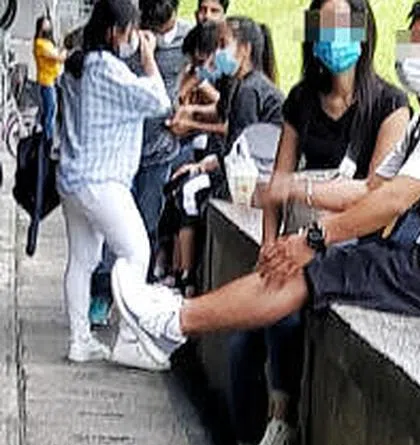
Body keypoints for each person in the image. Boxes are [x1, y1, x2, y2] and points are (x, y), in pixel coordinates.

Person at [111, 0, 420, 377]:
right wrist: (294, 213)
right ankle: (176, 317)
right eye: (410, 41)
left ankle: (173, 323)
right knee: (296, 271)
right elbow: (369, 189)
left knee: (308, 272)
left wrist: (315, 238)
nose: (412, 54)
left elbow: (391, 201)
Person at [213, 0, 411, 445]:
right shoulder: (302, 99)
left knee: (284, 313)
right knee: (240, 345)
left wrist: (303, 190)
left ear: (363, 32)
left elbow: (375, 193)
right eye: (322, 26)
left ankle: (283, 418)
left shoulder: (390, 106)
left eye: (341, 25)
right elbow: (275, 186)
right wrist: (268, 243)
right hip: (294, 239)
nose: (332, 37)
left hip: (346, 249)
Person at [57, 0, 172, 369]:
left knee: (82, 260)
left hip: (72, 179)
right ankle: (128, 340)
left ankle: (80, 341)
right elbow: (159, 102)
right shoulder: (105, 68)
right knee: (137, 252)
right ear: (114, 32)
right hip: (103, 181)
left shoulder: (76, 64)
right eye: (130, 31)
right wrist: (149, 58)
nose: (134, 38)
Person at [88, 0, 193, 326]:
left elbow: (204, 73)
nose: (155, 35)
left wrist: (186, 111)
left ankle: (134, 301)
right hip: (120, 155)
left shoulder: (186, 39)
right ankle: (102, 294)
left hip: (159, 152)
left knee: (146, 225)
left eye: (163, 29)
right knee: (111, 229)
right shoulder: (126, 38)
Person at [164, 16, 282, 293]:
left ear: (245, 49)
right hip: (247, 171)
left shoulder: (250, 91)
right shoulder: (243, 85)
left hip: (254, 178)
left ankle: (188, 279)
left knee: (192, 194)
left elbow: (241, 149)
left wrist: (204, 166)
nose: (218, 53)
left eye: (223, 45)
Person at [33, 16, 67, 146]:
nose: (49, 27)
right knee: (50, 113)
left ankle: (46, 140)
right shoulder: (40, 44)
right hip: (46, 82)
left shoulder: (48, 43)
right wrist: (64, 51)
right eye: (46, 25)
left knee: (50, 112)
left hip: (52, 81)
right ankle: (48, 142)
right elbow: (58, 57)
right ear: (40, 28)